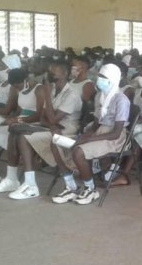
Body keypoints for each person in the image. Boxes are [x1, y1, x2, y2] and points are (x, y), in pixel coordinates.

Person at [51, 63, 130, 205]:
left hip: (115, 138)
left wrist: (90, 139)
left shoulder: (121, 100)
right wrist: (85, 135)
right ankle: (71, 186)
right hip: (99, 132)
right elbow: (96, 124)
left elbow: (116, 132)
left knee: (79, 151)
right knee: (56, 144)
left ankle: (90, 189)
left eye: (103, 77)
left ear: (112, 79)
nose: (98, 79)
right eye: (99, 75)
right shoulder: (100, 95)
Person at [7, 61, 82, 200]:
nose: (51, 72)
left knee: (23, 137)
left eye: (55, 70)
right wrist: (49, 122)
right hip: (51, 127)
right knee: (17, 132)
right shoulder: (53, 90)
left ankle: (30, 185)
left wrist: (47, 97)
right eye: (50, 69)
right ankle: (28, 183)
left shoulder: (71, 94)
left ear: (65, 74)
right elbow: (43, 117)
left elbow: (53, 119)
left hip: (67, 131)